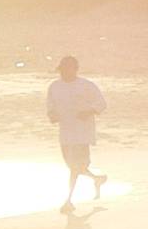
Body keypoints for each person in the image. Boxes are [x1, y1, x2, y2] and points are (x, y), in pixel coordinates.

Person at [46, 54, 108, 211]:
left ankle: (68, 201)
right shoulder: (54, 86)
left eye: (67, 69)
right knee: (73, 166)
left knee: (75, 167)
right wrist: (52, 115)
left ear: (75, 69)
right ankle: (97, 179)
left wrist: (88, 111)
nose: (63, 73)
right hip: (65, 133)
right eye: (61, 70)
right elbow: (50, 105)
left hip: (82, 133)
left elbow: (101, 103)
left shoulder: (86, 85)